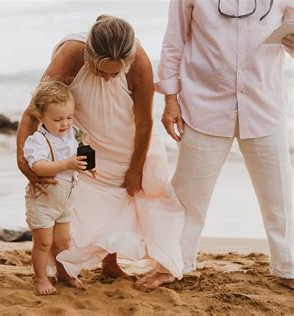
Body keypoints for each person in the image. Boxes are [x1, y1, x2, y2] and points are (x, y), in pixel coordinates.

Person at [17, 15, 186, 288]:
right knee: (81, 202)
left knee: (126, 200)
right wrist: (23, 162)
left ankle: (110, 263)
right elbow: (32, 112)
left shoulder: (139, 63)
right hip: (88, 140)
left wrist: (135, 168)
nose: (108, 78)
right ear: (88, 54)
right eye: (101, 71)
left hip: (128, 142)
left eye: (115, 72)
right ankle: (63, 265)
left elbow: (144, 121)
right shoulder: (71, 54)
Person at [157, 0, 294, 289]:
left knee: (280, 197)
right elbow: (174, 41)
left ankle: (288, 267)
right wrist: (170, 99)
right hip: (203, 105)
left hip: (264, 106)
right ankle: (174, 264)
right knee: (188, 196)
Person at [23, 80, 91, 295]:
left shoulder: (72, 134)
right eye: (58, 119)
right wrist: (66, 164)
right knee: (43, 243)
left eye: (69, 117)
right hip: (43, 201)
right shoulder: (38, 140)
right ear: (41, 117)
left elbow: (82, 150)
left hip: (66, 200)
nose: (65, 124)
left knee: (62, 242)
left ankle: (62, 272)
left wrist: (88, 165)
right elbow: (39, 166)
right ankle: (41, 278)